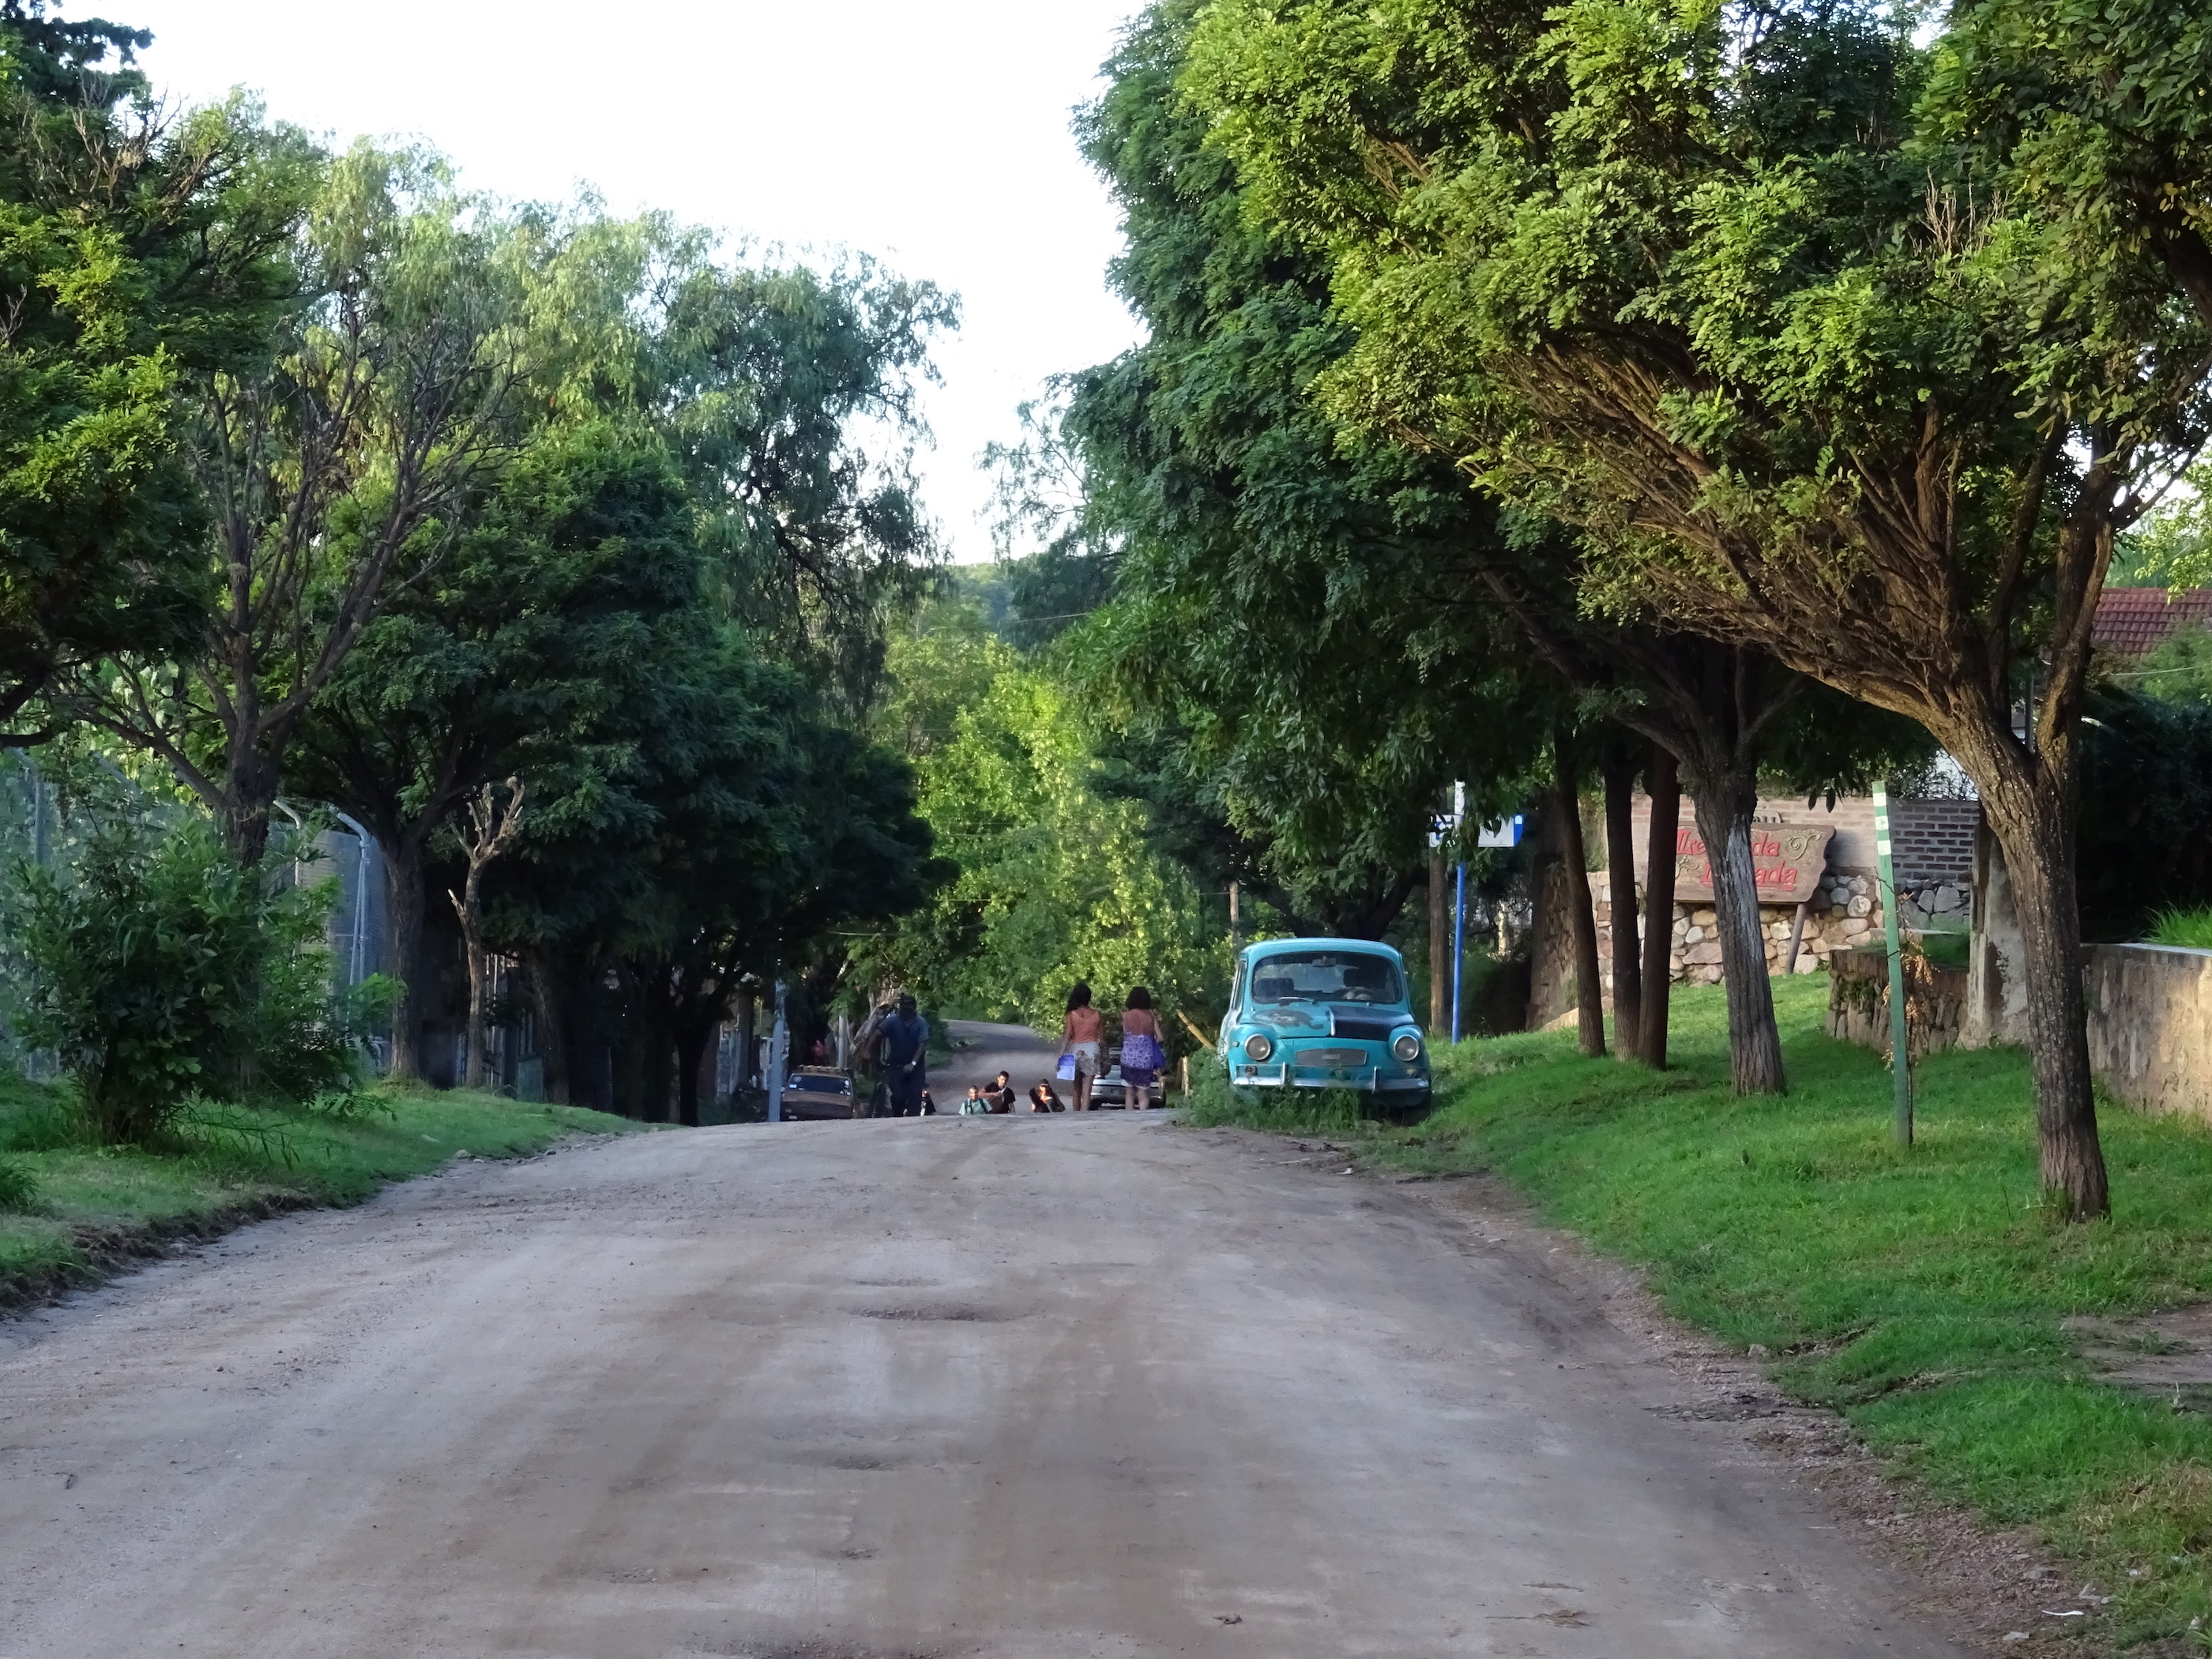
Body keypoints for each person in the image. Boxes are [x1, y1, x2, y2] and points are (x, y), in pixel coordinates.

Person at [879, 994, 929, 1116]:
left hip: (915, 1067)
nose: (906, 1012)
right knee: (897, 1095)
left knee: (915, 1096)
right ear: (900, 1008)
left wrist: (913, 1064)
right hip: (897, 1065)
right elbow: (878, 1033)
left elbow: (921, 1045)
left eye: (909, 1009)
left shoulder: (920, 1022)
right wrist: (867, 1051)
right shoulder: (892, 1021)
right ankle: (897, 1116)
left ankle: (912, 1121)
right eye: (904, 1008)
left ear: (914, 1009)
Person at [1120, 986, 1165, 1110]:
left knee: (1129, 1092)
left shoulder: (1125, 1016)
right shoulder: (1150, 1016)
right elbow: (1160, 1037)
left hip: (1128, 1058)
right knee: (1143, 1093)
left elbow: (1126, 1034)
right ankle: (1143, 1118)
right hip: (1145, 1059)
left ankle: (1129, 1118)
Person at [1061, 981, 1103, 1112]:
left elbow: (1068, 1036)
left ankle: (1076, 1112)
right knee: (1087, 1087)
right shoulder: (1097, 1015)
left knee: (1076, 1087)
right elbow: (1102, 1038)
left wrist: (1062, 1054)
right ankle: (1085, 1113)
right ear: (1088, 998)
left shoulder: (1071, 1015)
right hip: (1092, 1050)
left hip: (1076, 1051)